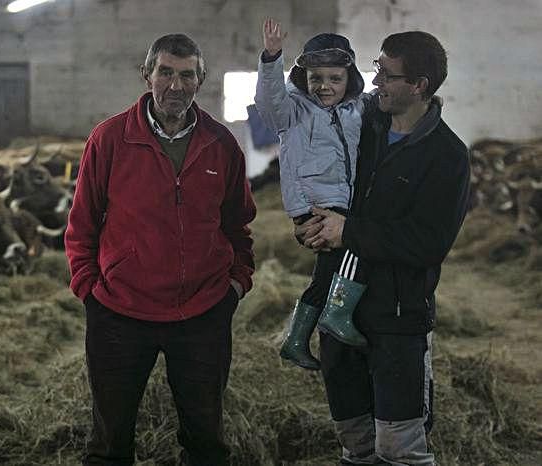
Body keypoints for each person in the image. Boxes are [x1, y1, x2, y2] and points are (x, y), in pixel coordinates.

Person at [64, 33, 256, 465]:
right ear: (147, 75)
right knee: (110, 442)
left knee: (206, 440)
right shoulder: (110, 139)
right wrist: (89, 289)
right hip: (119, 312)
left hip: (203, 311)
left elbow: (237, 223)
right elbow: (82, 224)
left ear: (200, 80)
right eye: (165, 72)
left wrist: (236, 284)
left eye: (187, 75)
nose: (175, 85)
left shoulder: (221, 144)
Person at [299, 31, 470, 465]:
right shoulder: (364, 128)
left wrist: (348, 231)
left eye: (387, 75)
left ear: (419, 85)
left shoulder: (446, 156)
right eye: (376, 70)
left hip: (397, 320)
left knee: (398, 448)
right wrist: (311, 223)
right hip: (339, 312)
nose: (376, 83)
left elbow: (429, 243)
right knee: (355, 442)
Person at [254, 19, 374, 371]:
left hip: (341, 200)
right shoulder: (293, 110)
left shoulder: (356, 109)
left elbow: (383, 108)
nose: (324, 86)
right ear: (302, 79)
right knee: (359, 248)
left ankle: (295, 338)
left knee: (326, 272)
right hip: (314, 204)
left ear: (349, 79)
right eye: (316, 78)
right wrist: (272, 57)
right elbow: (268, 99)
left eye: (335, 78)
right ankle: (337, 313)